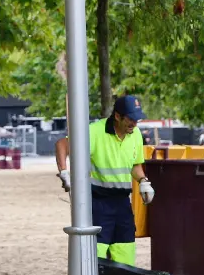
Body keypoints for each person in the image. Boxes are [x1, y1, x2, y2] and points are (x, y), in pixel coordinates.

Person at [54, 95, 153, 266]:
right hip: (98, 203)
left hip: (123, 203)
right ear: (117, 116)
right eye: (130, 119)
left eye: (137, 119)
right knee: (96, 258)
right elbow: (62, 144)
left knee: (126, 254)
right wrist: (64, 172)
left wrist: (143, 181)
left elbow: (135, 165)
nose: (134, 124)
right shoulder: (94, 131)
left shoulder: (135, 134)